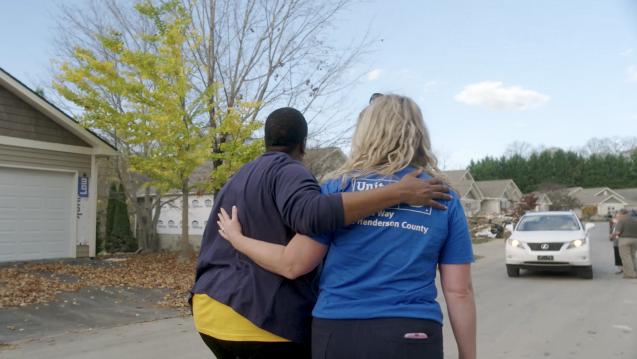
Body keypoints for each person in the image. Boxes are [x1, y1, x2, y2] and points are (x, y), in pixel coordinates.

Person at [217, 95, 476, 359]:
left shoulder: (337, 191)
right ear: (418, 132)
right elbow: (459, 291)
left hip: (339, 331)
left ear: (366, 132)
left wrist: (237, 239)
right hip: (412, 334)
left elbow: (292, 264)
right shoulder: (440, 197)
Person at [614, 208, 637, 279]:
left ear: (622, 213)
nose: (618, 215)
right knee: (632, 256)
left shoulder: (622, 220)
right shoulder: (635, 219)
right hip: (635, 240)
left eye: (619, 214)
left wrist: (613, 236)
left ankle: (630, 274)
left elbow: (617, 232)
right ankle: (634, 271)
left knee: (626, 257)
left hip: (624, 239)